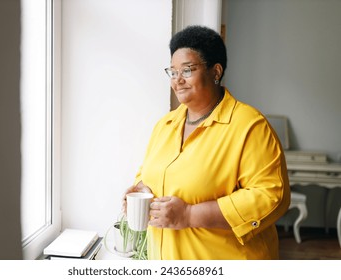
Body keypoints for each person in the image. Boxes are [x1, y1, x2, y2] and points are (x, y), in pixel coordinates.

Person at [124, 25, 290, 260]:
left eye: (187, 70)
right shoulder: (165, 126)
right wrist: (140, 189)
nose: (177, 80)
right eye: (172, 72)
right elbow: (147, 174)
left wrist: (190, 215)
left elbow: (271, 196)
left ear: (216, 72)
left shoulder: (250, 126)